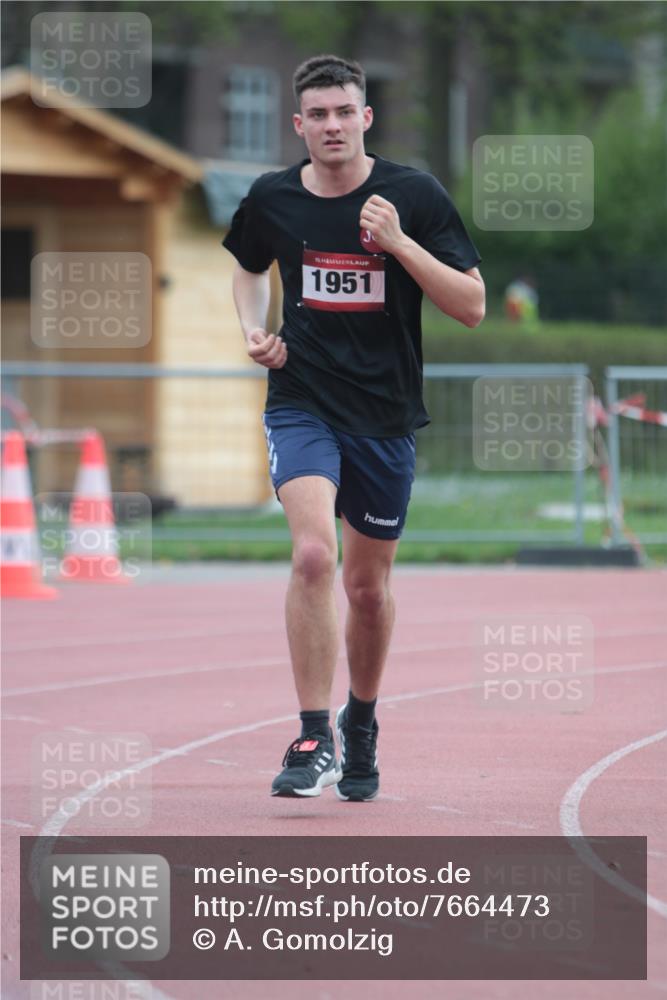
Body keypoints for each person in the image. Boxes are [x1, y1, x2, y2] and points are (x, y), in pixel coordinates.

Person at [223, 54, 484, 802]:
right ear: (298, 124)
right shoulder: (272, 198)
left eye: (345, 112)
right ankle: (312, 733)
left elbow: (471, 305)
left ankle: (360, 718)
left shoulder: (412, 195)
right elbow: (246, 265)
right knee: (312, 556)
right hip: (301, 398)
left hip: (384, 414)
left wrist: (400, 243)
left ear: (365, 118)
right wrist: (253, 329)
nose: (332, 126)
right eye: (318, 115)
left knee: (366, 589)